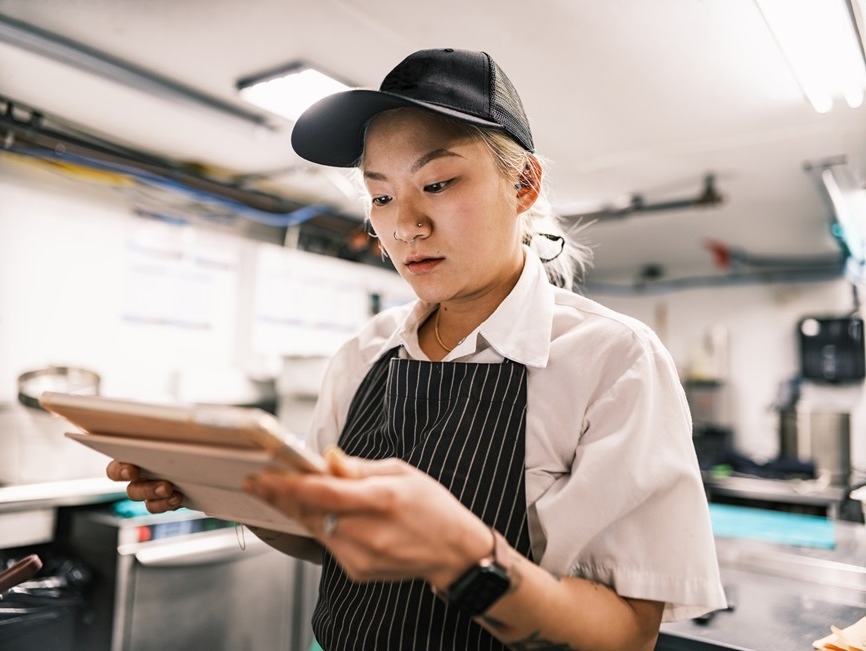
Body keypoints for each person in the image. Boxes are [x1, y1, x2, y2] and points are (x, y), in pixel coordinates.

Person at [108, 48, 727, 650]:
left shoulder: (612, 362)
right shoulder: (365, 353)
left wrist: (463, 558)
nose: (404, 225)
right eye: (380, 195)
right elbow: (327, 537)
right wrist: (219, 486)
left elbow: (627, 633)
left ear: (525, 184)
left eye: (436, 183)